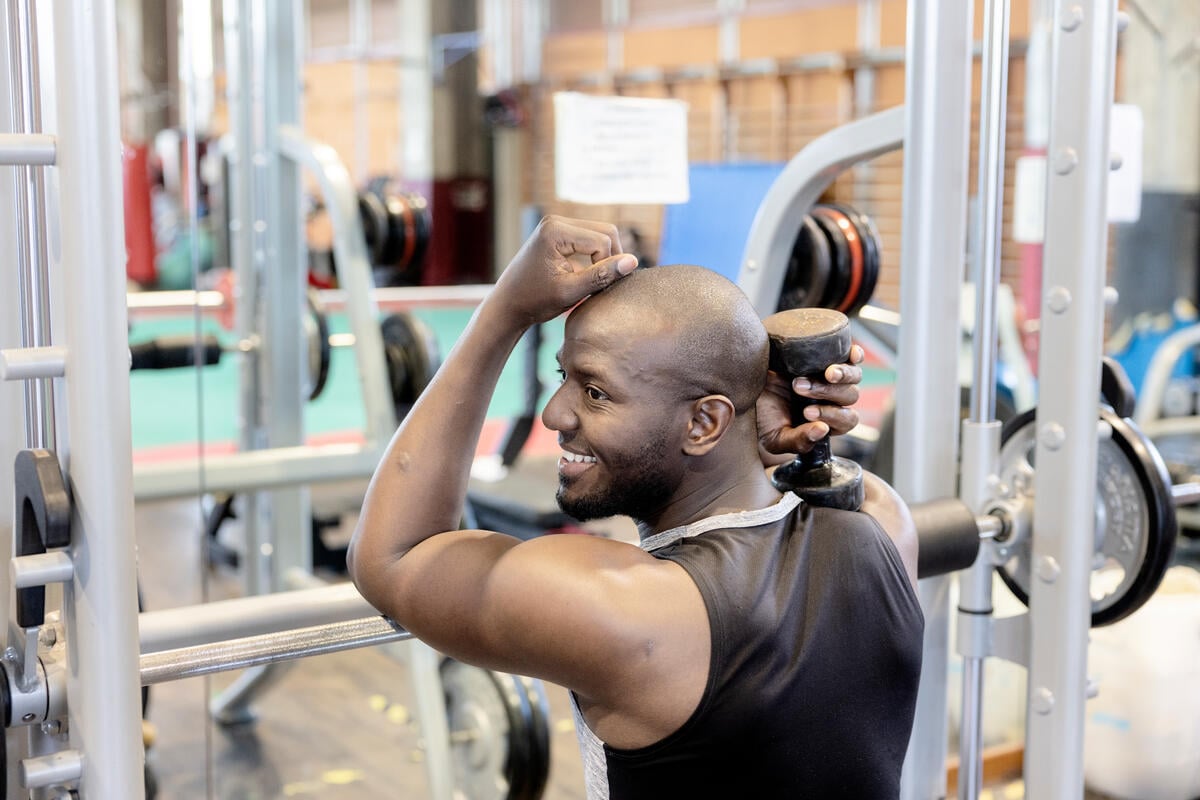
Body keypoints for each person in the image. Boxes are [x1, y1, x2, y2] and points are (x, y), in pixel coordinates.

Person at [348, 216, 923, 798]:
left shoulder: (628, 611)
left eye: (595, 392)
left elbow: (394, 556)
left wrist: (505, 312)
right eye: (564, 377)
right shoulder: (883, 524)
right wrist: (749, 416)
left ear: (705, 422)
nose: (553, 414)